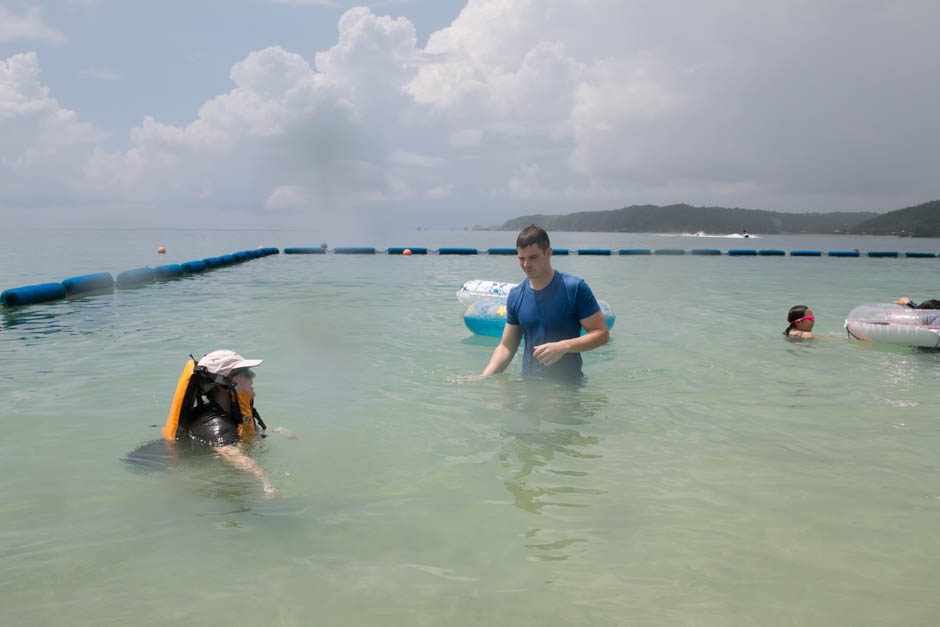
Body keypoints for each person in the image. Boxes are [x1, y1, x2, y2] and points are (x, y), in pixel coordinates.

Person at [479, 225, 609, 382]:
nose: (526, 265)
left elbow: (601, 334)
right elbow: (506, 347)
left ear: (549, 253)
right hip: (529, 387)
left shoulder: (574, 288)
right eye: (521, 258)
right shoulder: (516, 295)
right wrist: (483, 378)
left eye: (533, 257)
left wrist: (564, 347)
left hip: (567, 388)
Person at [162, 350, 295, 497]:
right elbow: (233, 455)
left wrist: (274, 430)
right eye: (245, 372)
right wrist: (266, 483)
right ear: (224, 385)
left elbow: (242, 430)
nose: (253, 376)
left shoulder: (225, 413)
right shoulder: (214, 424)